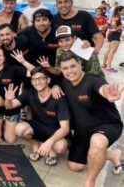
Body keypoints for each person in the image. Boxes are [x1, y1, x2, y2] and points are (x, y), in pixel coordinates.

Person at [57, 51, 123, 187]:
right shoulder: (63, 83)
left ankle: (90, 182)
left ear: (81, 65)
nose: (70, 71)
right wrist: (55, 87)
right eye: (65, 68)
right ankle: (113, 154)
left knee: (97, 142)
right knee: (75, 166)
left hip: (107, 124)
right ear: (61, 70)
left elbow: (103, 88)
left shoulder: (93, 79)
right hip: (83, 130)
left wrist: (108, 92)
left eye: (73, 66)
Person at [5, 67, 70, 166]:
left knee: (61, 147)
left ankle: (52, 150)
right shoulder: (30, 93)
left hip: (55, 131)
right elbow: (9, 106)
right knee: (19, 128)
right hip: (38, 126)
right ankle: (36, 143)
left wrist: (49, 142)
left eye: (41, 78)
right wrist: (8, 99)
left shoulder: (58, 98)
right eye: (34, 79)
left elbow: (65, 129)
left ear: (48, 80)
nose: (37, 82)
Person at [0, 47, 29, 143]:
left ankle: (6, 125)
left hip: (11, 109)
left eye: (0, 55)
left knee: (10, 140)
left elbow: (34, 72)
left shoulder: (14, 69)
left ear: (4, 58)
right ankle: (1, 125)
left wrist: (23, 62)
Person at [102, 6, 124, 72]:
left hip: (111, 35)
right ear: (119, 11)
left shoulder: (114, 16)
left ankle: (104, 64)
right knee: (112, 51)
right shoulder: (117, 17)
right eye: (123, 11)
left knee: (108, 50)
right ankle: (108, 67)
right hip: (115, 36)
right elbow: (113, 25)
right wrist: (119, 27)